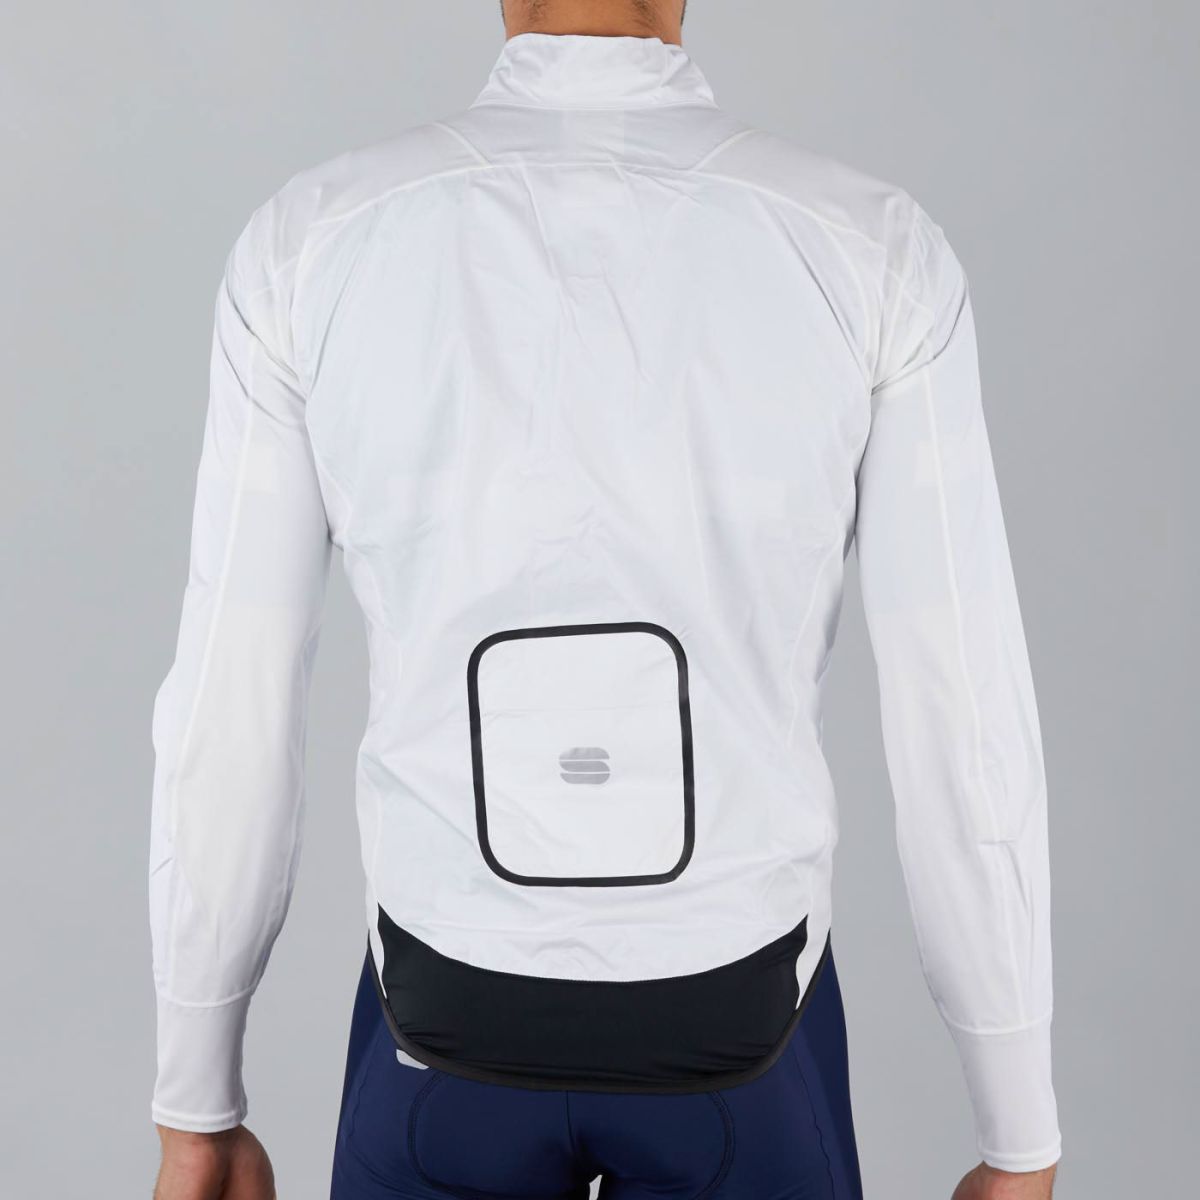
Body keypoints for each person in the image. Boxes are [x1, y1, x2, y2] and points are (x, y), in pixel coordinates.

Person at [148, 2, 1062, 1197]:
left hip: (440, 1022)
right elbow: (962, 709)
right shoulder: (871, 250)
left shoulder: (310, 245)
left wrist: (196, 1098)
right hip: (746, 1030)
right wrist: (1016, 1125)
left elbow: (230, 703)